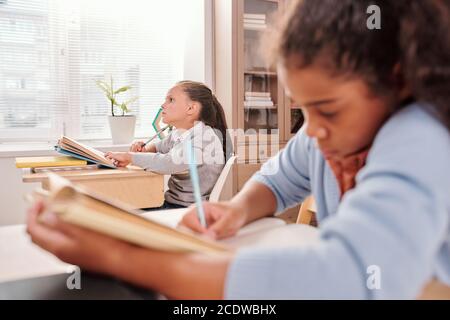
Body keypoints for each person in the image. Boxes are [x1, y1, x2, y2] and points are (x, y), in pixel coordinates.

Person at [27, 0, 450, 299]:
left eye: (328, 110)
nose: (312, 131)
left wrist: (122, 258)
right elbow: (277, 180)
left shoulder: (422, 137)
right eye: (303, 111)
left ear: (399, 81)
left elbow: (351, 280)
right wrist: (238, 210)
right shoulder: (321, 137)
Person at [105, 80, 231, 209]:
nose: (163, 105)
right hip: (172, 203)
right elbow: (157, 147)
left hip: (186, 208)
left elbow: (169, 162)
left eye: (171, 100)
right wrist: (144, 149)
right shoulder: (179, 133)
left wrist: (130, 157)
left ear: (191, 108)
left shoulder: (204, 138)